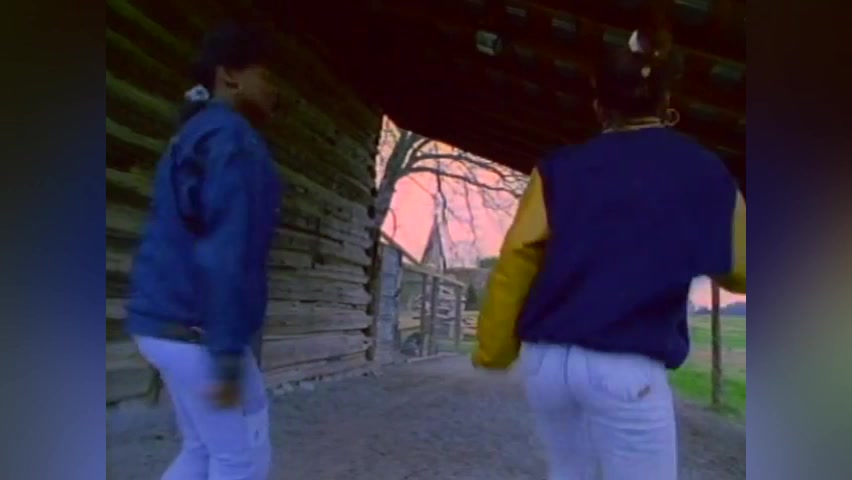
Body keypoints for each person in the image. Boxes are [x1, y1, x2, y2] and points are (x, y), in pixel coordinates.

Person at [472, 28, 746, 480]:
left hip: (547, 364)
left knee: (569, 473)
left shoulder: (557, 169)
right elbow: (741, 270)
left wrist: (495, 349)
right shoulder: (704, 171)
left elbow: (519, 257)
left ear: (599, 106)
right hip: (625, 363)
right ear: (666, 101)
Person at [125, 23, 285, 480]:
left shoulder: (196, 133)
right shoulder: (233, 140)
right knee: (240, 459)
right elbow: (227, 250)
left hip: (165, 323)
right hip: (196, 329)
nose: (275, 91)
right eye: (266, 76)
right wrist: (227, 353)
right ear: (230, 76)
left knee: (202, 450)